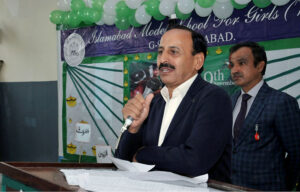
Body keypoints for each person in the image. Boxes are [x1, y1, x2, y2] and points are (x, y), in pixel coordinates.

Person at [115, 25, 232, 183]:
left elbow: (194, 161)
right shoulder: (154, 101)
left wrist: (143, 154)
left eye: (174, 52)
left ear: (197, 61)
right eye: (161, 51)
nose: (163, 59)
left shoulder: (214, 99)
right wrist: (134, 128)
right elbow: (124, 159)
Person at [228, 41, 300, 190]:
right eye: (232, 65)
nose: (235, 70)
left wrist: (283, 185)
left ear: (260, 66)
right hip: (230, 185)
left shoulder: (281, 102)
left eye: (241, 63)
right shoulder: (231, 100)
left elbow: (297, 152)